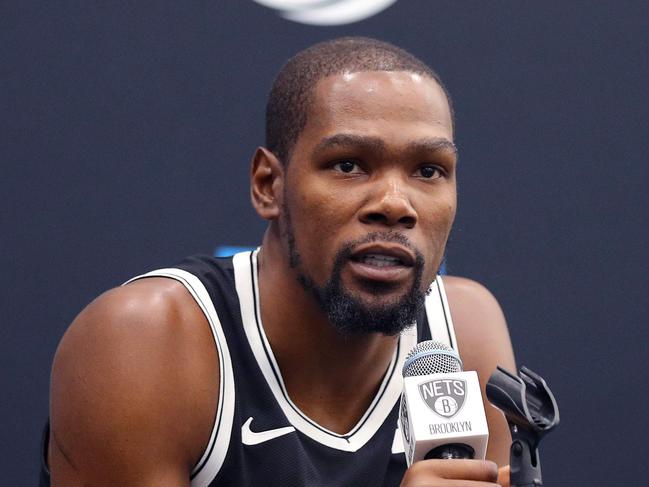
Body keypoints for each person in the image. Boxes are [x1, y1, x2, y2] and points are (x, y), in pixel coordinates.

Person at [44, 37, 516, 486]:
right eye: (349, 165)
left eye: (429, 171)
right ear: (269, 184)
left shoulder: (465, 332)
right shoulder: (146, 342)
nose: (395, 203)